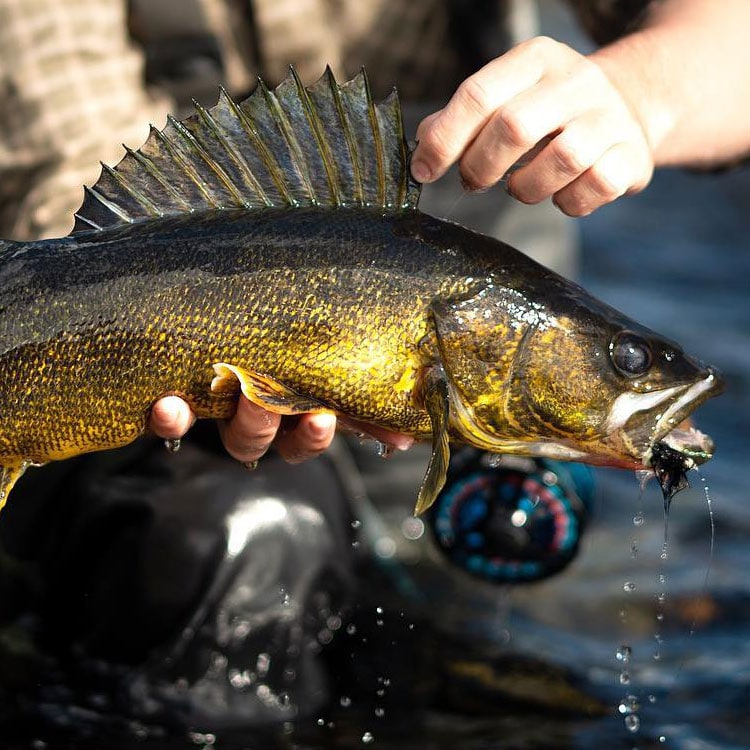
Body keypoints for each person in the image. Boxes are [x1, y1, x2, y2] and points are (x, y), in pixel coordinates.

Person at [0, 0, 747, 733]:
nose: (631, 374)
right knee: (245, 546)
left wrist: (635, 93)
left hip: (464, 494)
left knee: (542, 680)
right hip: (177, 448)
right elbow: (75, 206)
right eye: (623, 363)